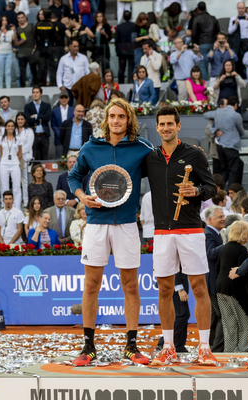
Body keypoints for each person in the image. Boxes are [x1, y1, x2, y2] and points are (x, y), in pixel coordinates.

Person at [67, 98, 154, 366]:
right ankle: (88, 346)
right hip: (95, 222)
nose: (116, 121)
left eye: (122, 117)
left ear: (129, 120)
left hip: (127, 224)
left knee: (130, 285)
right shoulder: (91, 147)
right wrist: (82, 196)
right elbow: (73, 177)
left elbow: (163, 168)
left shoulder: (141, 148)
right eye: (112, 116)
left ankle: (131, 345)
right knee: (91, 285)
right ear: (106, 120)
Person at [145, 105, 218, 366]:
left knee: (199, 288)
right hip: (162, 232)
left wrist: (196, 191)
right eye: (162, 124)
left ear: (178, 126)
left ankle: (205, 348)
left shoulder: (194, 155)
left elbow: (212, 187)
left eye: (170, 124)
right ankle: (168, 347)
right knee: (165, 290)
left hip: (191, 230)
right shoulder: (150, 157)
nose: (166, 128)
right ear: (156, 128)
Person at [215, 220, 248, 352]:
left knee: (229, 324)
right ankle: (243, 352)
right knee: (247, 323)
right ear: (243, 234)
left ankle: (229, 352)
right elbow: (242, 272)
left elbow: (217, 268)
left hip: (220, 289)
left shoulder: (224, 247)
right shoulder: (241, 249)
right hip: (236, 292)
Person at [205, 96, 244, 187]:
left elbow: (205, 114)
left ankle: (220, 191)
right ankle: (230, 193)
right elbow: (241, 131)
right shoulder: (234, 115)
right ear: (236, 105)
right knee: (233, 170)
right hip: (226, 148)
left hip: (220, 146)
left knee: (225, 170)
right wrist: (214, 131)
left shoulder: (217, 113)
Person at [203, 206, 225, 352]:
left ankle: (209, 346)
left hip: (214, 281)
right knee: (222, 315)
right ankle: (216, 349)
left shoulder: (215, 233)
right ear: (210, 220)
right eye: (220, 217)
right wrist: (227, 246)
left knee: (214, 318)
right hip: (213, 281)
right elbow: (210, 253)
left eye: (223, 216)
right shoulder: (208, 233)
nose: (223, 219)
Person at [191, 2, 220, 80]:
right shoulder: (213, 18)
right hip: (213, 43)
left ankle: (205, 82)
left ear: (198, 9)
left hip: (202, 43)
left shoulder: (196, 18)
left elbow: (194, 33)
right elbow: (218, 31)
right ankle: (215, 80)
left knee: (202, 64)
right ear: (206, 8)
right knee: (214, 62)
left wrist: (194, 43)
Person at [228, 2, 248, 78]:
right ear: (237, 8)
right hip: (236, 42)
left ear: (245, 8)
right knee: (237, 61)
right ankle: (239, 77)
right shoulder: (233, 18)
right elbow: (230, 31)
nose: (241, 10)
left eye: (242, 8)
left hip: (247, 41)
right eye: (239, 8)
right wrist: (235, 24)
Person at [56, 40, 89, 104]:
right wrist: (60, 86)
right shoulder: (63, 59)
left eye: (77, 46)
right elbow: (59, 73)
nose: (76, 48)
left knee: (81, 108)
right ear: (70, 47)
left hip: (80, 88)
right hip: (67, 88)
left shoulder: (83, 58)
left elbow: (87, 73)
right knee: (68, 109)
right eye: (74, 46)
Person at [0, 120, 23, 209]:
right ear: (5, 127)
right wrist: (4, 159)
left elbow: (20, 153)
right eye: (8, 126)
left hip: (14, 164)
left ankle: (17, 207)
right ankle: (5, 206)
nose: (10, 127)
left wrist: (15, 159)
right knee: (4, 186)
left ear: (14, 127)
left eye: (12, 126)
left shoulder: (18, 139)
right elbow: (1, 153)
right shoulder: (1, 138)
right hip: (4, 164)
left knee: (16, 187)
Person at [24, 86, 52, 160]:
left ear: (41, 94)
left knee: (44, 157)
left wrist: (36, 116)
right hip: (33, 135)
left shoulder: (46, 105)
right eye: (33, 92)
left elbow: (48, 117)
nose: (35, 94)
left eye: (37, 92)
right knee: (34, 157)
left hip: (44, 135)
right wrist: (41, 118)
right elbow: (27, 119)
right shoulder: (28, 106)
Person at [115, 10, 136, 84]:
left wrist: (117, 50)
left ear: (123, 17)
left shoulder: (119, 27)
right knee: (131, 67)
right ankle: (131, 82)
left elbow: (117, 40)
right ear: (131, 17)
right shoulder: (134, 25)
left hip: (122, 49)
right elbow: (135, 38)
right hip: (131, 49)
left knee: (121, 68)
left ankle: (121, 83)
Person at [51, 92, 74, 158]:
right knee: (60, 161)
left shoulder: (73, 110)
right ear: (59, 99)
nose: (64, 99)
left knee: (71, 160)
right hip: (59, 140)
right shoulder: (54, 111)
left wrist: (68, 134)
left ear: (68, 99)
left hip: (71, 139)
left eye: (65, 97)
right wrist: (61, 134)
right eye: (62, 98)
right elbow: (53, 124)